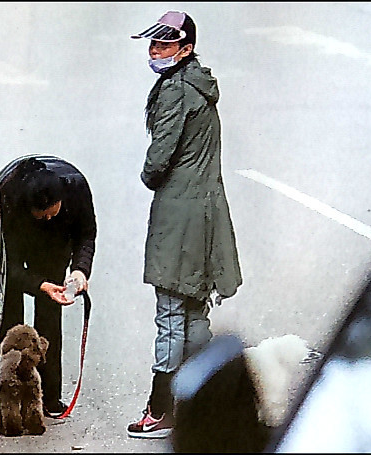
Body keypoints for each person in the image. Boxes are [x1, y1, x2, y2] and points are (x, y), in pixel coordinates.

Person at [127, 11, 242, 438]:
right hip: (208, 211)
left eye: (164, 44)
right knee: (195, 311)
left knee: (171, 314)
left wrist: (147, 175)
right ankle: (204, 406)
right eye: (153, 43)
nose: (155, 50)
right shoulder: (200, 85)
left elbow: (159, 159)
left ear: (186, 48)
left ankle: (161, 409)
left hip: (179, 214)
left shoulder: (175, 90)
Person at [0, 155, 97, 430]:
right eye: (42, 214)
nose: (48, 217)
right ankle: (5, 400)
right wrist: (37, 284)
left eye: (52, 211)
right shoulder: (7, 196)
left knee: (49, 318)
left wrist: (80, 270)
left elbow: (86, 234)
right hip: (14, 244)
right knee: (12, 327)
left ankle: (48, 396)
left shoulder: (75, 187)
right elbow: (5, 264)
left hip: (55, 246)